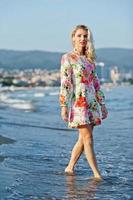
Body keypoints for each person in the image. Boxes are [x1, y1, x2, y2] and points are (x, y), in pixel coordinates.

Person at [59, 25, 108, 180]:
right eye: (79, 36)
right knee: (88, 138)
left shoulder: (89, 60)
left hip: (91, 103)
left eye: (85, 36)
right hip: (78, 104)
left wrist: (102, 104)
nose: (82, 39)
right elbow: (66, 83)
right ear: (73, 37)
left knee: (83, 138)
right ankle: (97, 174)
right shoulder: (67, 58)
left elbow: (96, 84)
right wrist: (63, 106)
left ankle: (70, 167)